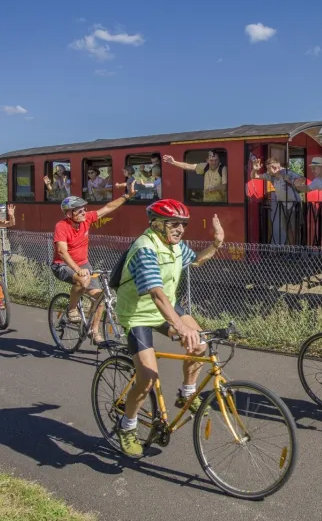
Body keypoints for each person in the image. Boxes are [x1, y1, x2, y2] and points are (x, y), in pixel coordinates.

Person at [114, 199, 225, 457]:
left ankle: (187, 393)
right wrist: (178, 325)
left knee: (199, 343)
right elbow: (156, 294)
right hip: (138, 315)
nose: (180, 229)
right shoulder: (145, 248)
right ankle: (127, 425)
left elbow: (195, 261)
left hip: (166, 309)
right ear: (156, 224)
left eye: (183, 224)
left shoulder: (174, 246)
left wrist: (217, 244)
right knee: (147, 378)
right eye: (174, 224)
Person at [51, 184, 135, 344]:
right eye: (79, 211)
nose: (84, 213)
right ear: (69, 213)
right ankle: (72, 308)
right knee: (82, 280)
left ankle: (93, 330)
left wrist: (127, 196)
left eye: (84, 209)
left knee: (100, 297)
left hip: (84, 264)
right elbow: (62, 251)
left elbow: (108, 208)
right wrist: (77, 269)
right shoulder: (61, 226)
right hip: (62, 265)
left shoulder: (86, 219)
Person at [251, 157, 302, 245]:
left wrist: (290, 181)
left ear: (275, 168)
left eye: (268, 169)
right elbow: (254, 176)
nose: (268, 171)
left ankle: (297, 250)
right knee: (286, 228)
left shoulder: (287, 173)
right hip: (283, 205)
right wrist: (255, 170)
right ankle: (290, 250)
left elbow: (302, 179)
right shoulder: (271, 176)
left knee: (294, 228)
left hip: (294, 205)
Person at [162, 151, 227, 203]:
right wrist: (173, 162)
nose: (214, 163)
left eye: (216, 160)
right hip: (207, 202)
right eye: (211, 160)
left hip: (220, 203)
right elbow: (189, 166)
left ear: (219, 160)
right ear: (207, 160)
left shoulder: (223, 169)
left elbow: (226, 186)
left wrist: (214, 188)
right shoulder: (205, 166)